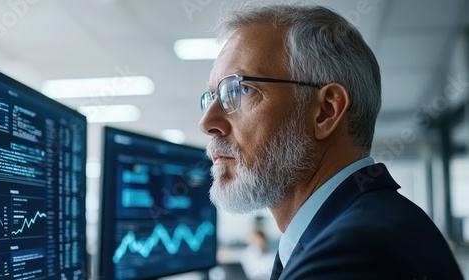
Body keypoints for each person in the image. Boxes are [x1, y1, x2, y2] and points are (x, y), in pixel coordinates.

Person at [198, 2, 464, 280]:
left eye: (239, 90)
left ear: (326, 111)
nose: (206, 123)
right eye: (212, 96)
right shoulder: (363, 226)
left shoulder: (357, 254)